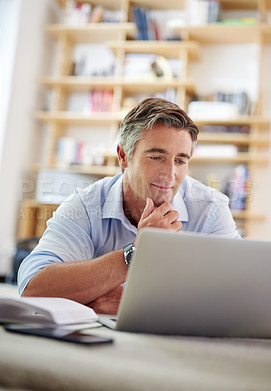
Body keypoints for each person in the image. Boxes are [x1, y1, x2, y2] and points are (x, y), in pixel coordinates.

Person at [18, 97, 240, 314]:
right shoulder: (85, 205)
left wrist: (134, 304)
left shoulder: (211, 209)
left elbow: (238, 296)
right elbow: (33, 289)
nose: (170, 174)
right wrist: (135, 252)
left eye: (180, 161)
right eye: (156, 157)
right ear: (124, 156)